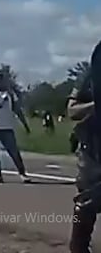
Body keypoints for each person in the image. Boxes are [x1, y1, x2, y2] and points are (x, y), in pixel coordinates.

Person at [0, 66, 32, 184]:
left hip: (6, 127)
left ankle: (22, 173)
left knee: (13, 151)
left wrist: (25, 125)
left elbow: (18, 110)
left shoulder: (10, 94)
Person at [69, 48, 98, 253]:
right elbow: (72, 110)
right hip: (93, 146)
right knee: (88, 200)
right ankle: (78, 247)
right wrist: (96, 106)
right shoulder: (90, 76)